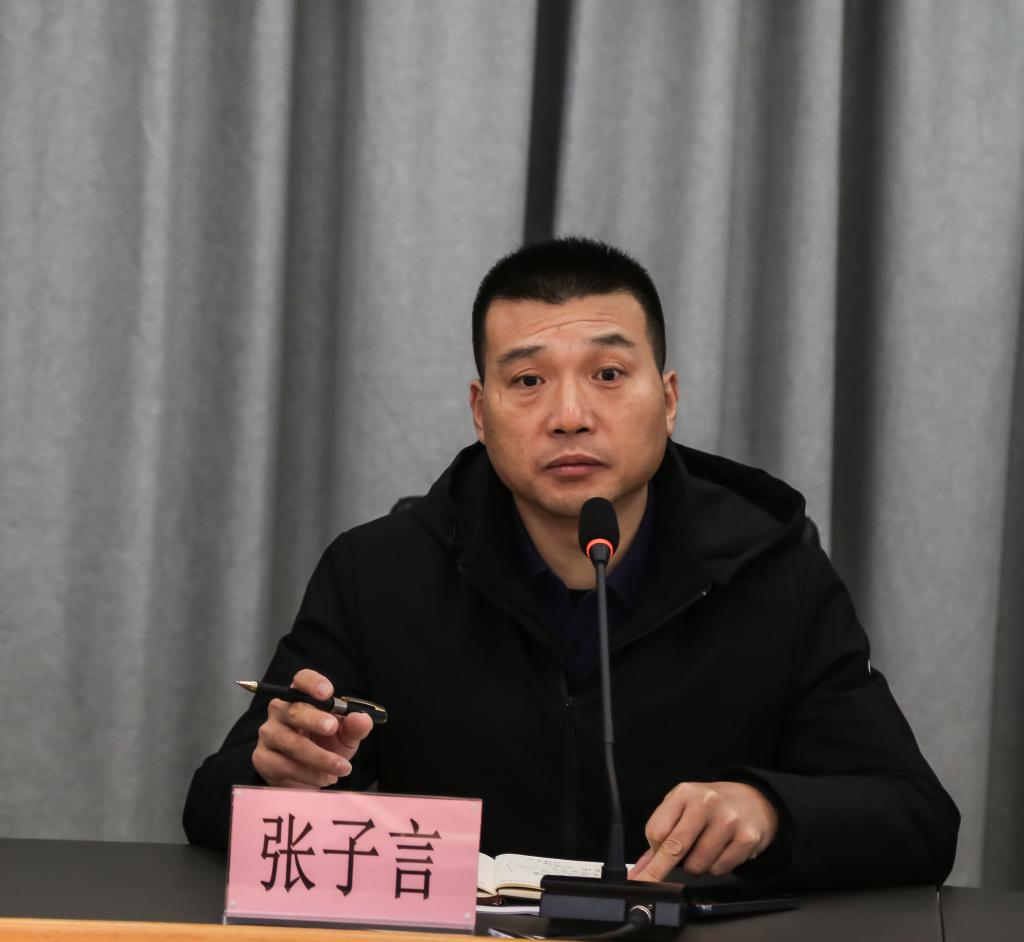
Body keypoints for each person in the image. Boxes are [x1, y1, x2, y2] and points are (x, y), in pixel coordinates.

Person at [183, 237, 959, 888]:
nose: (570, 416)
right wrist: (275, 770)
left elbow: (918, 819)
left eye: (609, 375)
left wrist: (769, 810)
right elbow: (213, 806)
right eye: (527, 381)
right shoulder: (380, 573)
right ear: (481, 412)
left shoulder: (773, 573)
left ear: (669, 398)